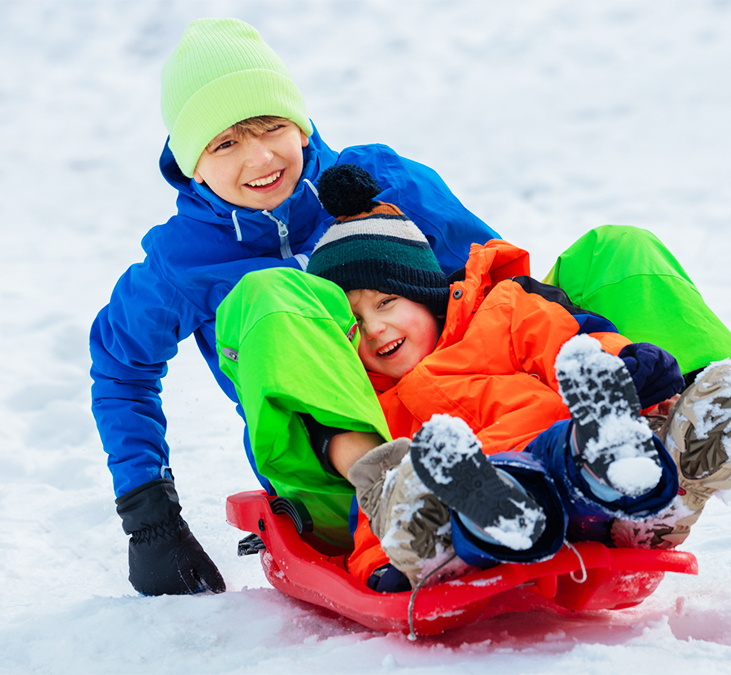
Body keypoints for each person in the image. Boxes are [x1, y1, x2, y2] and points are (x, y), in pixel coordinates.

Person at [89, 18, 499, 596]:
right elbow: (119, 367)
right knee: (271, 291)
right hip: (333, 484)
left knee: (611, 252)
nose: (259, 158)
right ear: (192, 165)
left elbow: (490, 278)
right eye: (225, 142)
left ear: (301, 126)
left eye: (271, 127)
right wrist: (149, 517)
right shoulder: (182, 263)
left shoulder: (377, 182)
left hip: (476, 421)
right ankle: (396, 493)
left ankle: (656, 425)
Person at [301, 164, 727, 590]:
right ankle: (441, 546)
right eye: (354, 323)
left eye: (387, 302)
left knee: (579, 446)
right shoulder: (371, 404)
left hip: (560, 456)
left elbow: (564, 346)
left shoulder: (498, 312)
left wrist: (621, 368)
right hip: (476, 495)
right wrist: (379, 565)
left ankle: (647, 487)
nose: (374, 329)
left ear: (425, 294)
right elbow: (374, 498)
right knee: (428, 483)